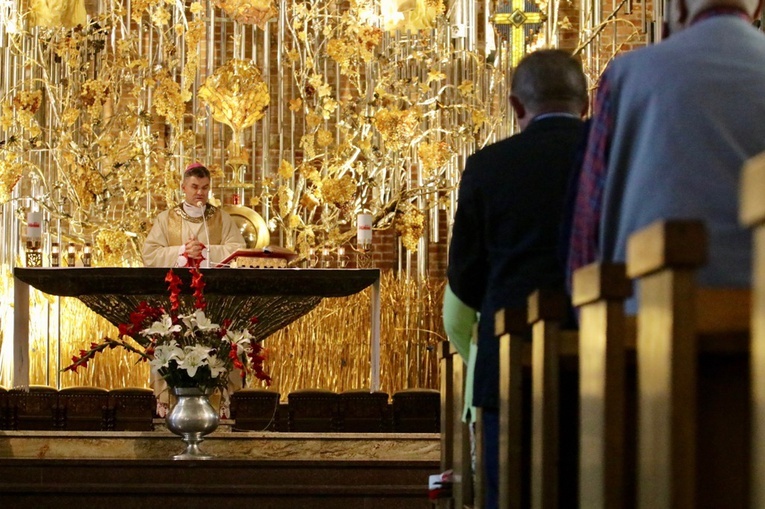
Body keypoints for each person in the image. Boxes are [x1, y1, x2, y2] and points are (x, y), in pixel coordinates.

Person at [445, 49, 588, 508]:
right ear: (585, 104)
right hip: (603, 350)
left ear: (516, 106)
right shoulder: (609, 156)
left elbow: (464, 278)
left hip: (511, 357)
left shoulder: (488, 166)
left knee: (510, 490)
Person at [567, 0, 765, 312]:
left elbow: (586, 231)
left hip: (646, 321)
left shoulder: (625, 75)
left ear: (680, 8)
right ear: (759, 8)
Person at [142, 163, 246, 268]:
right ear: (184, 188)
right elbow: (150, 255)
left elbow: (239, 252)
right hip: (176, 282)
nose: (200, 192)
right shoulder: (165, 218)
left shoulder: (223, 219)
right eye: (194, 187)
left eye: (205, 188)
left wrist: (205, 250)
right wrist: (183, 251)